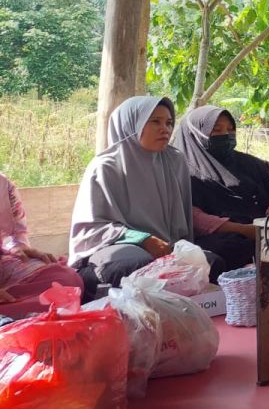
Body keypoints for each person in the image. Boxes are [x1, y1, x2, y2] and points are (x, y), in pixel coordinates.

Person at [69, 96, 225, 296]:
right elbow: (91, 230)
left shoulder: (173, 161)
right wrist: (142, 239)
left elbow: (181, 222)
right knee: (136, 265)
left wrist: (178, 249)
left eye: (169, 123)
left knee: (211, 263)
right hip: (112, 248)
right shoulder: (106, 167)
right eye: (155, 121)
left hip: (165, 245)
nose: (165, 129)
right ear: (131, 124)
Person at [174, 105, 269, 271]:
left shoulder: (250, 164)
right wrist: (246, 230)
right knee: (231, 247)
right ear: (195, 134)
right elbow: (193, 217)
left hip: (265, 228)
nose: (225, 135)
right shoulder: (182, 171)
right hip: (221, 235)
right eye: (216, 130)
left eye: (231, 129)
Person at [0, 171, 83, 318]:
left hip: (3, 265)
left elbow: (14, 234)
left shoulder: (3, 185)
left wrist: (16, 247)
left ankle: (16, 314)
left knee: (66, 281)